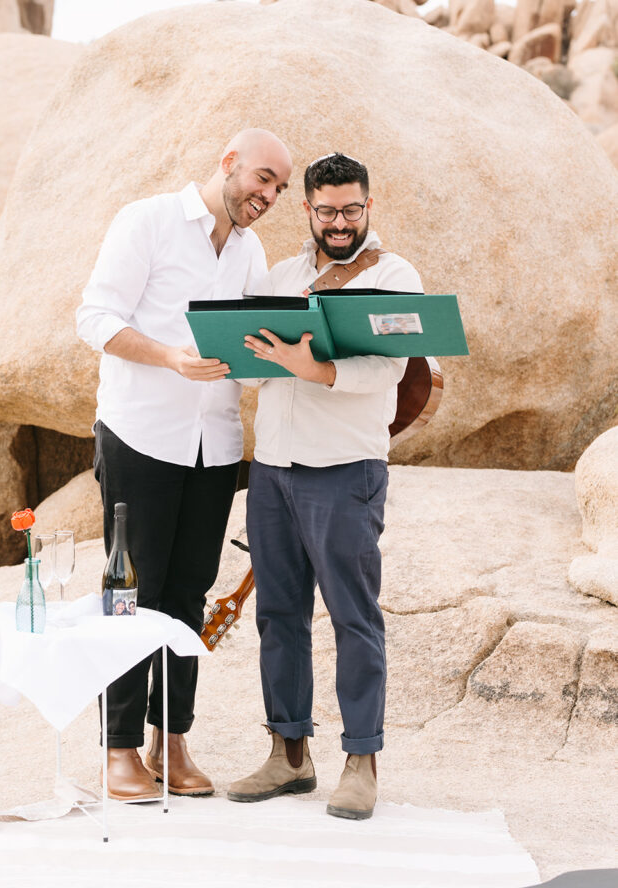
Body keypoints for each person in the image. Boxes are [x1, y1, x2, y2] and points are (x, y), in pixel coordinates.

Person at [76, 129, 292, 801]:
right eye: (263, 178)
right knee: (128, 595)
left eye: (279, 189)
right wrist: (171, 356)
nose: (268, 196)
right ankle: (119, 750)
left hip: (215, 445)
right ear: (228, 163)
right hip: (140, 434)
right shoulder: (147, 221)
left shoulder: (251, 251)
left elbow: (250, 345)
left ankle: (171, 741)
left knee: (188, 596)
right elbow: (94, 316)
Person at [227, 152, 423, 820]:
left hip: (344, 473)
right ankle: (288, 757)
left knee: (353, 618)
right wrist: (235, 357)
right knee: (278, 616)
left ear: (368, 208)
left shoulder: (396, 278)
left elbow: (386, 370)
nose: (338, 223)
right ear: (307, 210)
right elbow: (253, 369)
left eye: (350, 210)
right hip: (274, 472)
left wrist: (309, 367)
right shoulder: (280, 276)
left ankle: (361, 763)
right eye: (326, 210)